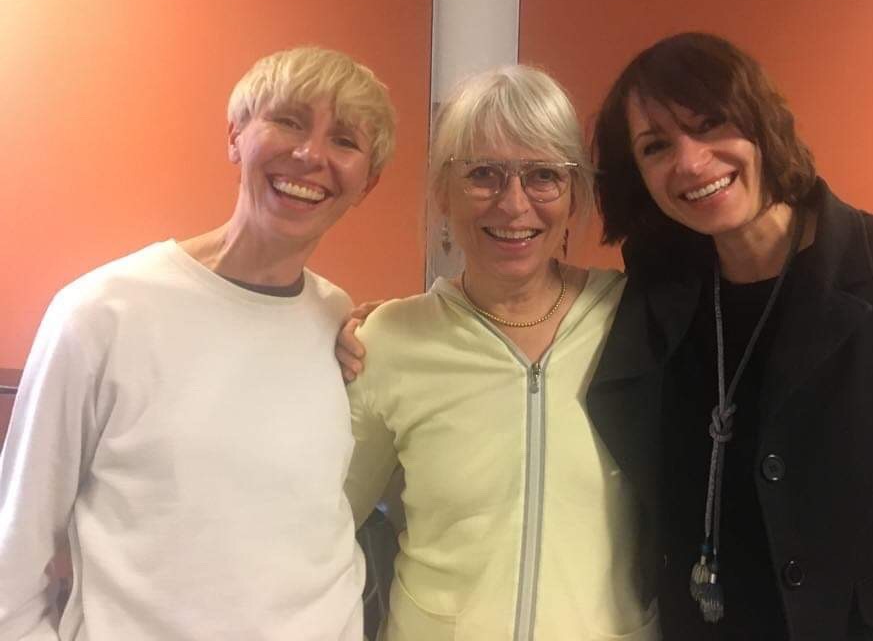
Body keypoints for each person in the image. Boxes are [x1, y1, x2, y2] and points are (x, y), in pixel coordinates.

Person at [588, 31, 873, 639]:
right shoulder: (658, 298)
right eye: (656, 146)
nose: (689, 162)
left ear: (760, 122)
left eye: (710, 124)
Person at [0, 45, 395, 641]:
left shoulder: (340, 323)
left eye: (344, 140)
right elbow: (14, 559)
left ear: (368, 182)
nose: (310, 155)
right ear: (235, 135)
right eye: (288, 121)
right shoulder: (103, 313)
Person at [342, 65, 658, 640]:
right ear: (443, 190)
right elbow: (326, 526)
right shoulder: (390, 339)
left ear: (575, 193)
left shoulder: (634, 320)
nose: (514, 205)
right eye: (483, 174)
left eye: (544, 176)